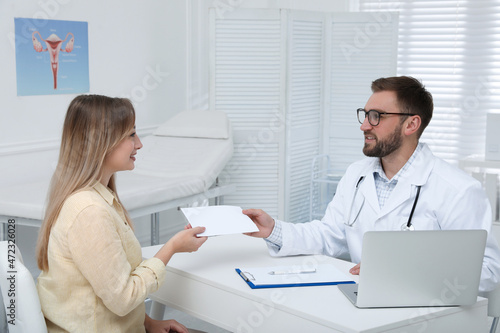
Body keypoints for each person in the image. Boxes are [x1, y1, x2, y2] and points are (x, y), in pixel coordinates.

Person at [243, 76, 500, 293]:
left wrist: (404, 270)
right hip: (363, 300)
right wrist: (273, 230)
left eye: (376, 116)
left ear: (411, 124)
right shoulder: (357, 174)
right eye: (365, 115)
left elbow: (487, 269)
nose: (365, 125)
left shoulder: (458, 190)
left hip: (424, 312)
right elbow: (329, 235)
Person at [36, 95, 207, 333]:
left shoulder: (97, 199)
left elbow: (111, 283)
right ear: (101, 142)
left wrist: (148, 323)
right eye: (131, 135)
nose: (139, 144)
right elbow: (123, 299)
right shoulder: (90, 211)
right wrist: (172, 247)